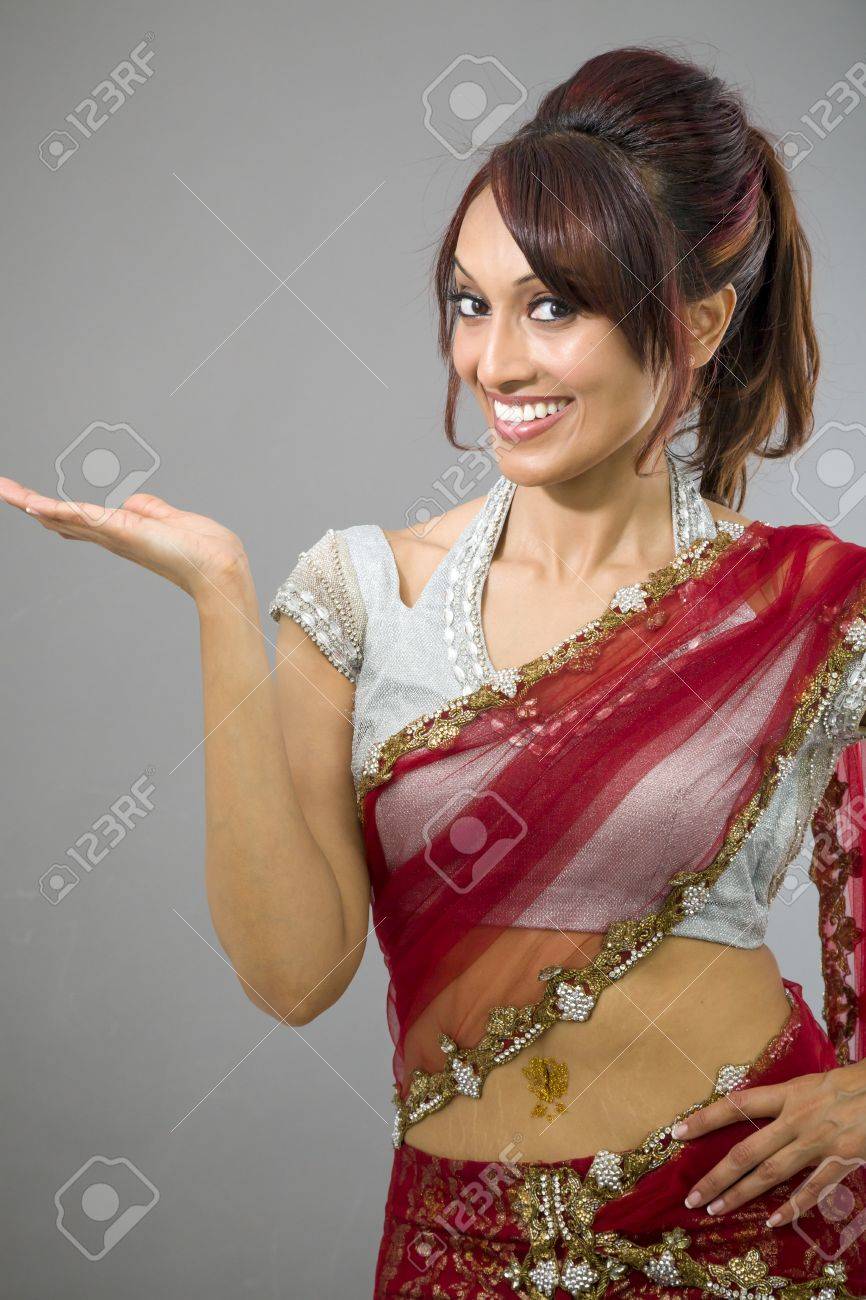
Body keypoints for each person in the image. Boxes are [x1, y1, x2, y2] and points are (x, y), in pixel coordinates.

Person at [5, 42, 866, 1300]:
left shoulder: (808, 602)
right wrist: (219, 595)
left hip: (745, 1239)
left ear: (694, 320)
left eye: (553, 307)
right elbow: (294, 976)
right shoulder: (363, 595)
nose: (495, 362)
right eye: (471, 303)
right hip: (457, 1248)